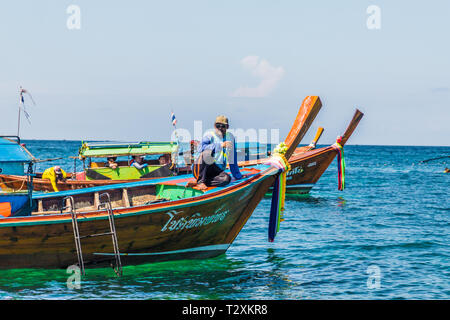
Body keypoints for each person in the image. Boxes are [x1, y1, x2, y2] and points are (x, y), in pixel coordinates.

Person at [191, 115, 244, 191]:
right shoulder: (209, 135)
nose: (220, 128)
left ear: (227, 127)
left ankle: (200, 182)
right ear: (214, 125)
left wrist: (238, 176)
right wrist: (220, 145)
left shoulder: (230, 137)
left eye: (223, 126)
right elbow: (200, 148)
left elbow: (233, 158)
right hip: (200, 169)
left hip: (216, 170)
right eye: (217, 126)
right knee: (207, 152)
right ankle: (200, 181)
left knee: (226, 179)